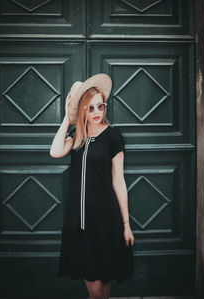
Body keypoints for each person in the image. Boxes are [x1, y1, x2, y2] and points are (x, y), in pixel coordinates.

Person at [50, 74, 135, 299]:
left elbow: (119, 181)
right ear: (83, 111)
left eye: (101, 106)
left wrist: (126, 224)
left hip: (105, 219)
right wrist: (68, 118)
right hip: (80, 221)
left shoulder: (113, 137)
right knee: (95, 290)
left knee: (103, 288)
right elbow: (55, 151)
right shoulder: (77, 135)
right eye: (90, 108)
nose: (97, 112)